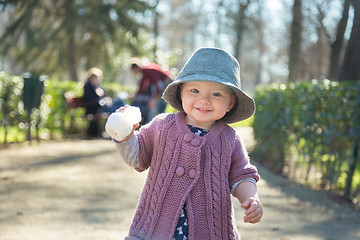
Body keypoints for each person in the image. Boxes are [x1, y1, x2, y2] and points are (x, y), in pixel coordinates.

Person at [112, 48, 263, 239]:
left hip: (209, 231)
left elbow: (242, 175)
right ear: (181, 93)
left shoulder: (229, 139)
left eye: (216, 94)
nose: (204, 100)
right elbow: (138, 157)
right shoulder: (162, 126)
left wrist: (250, 198)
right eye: (194, 90)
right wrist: (125, 135)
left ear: (230, 103)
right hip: (155, 229)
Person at [83, 67, 124, 137]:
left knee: (120, 101)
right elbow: (89, 101)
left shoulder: (98, 87)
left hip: (104, 106)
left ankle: (121, 129)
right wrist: (102, 101)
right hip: (96, 109)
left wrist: (105, 99)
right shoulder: (88, 87)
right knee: (117, 110)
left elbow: (104, 96)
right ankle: (119, 130)